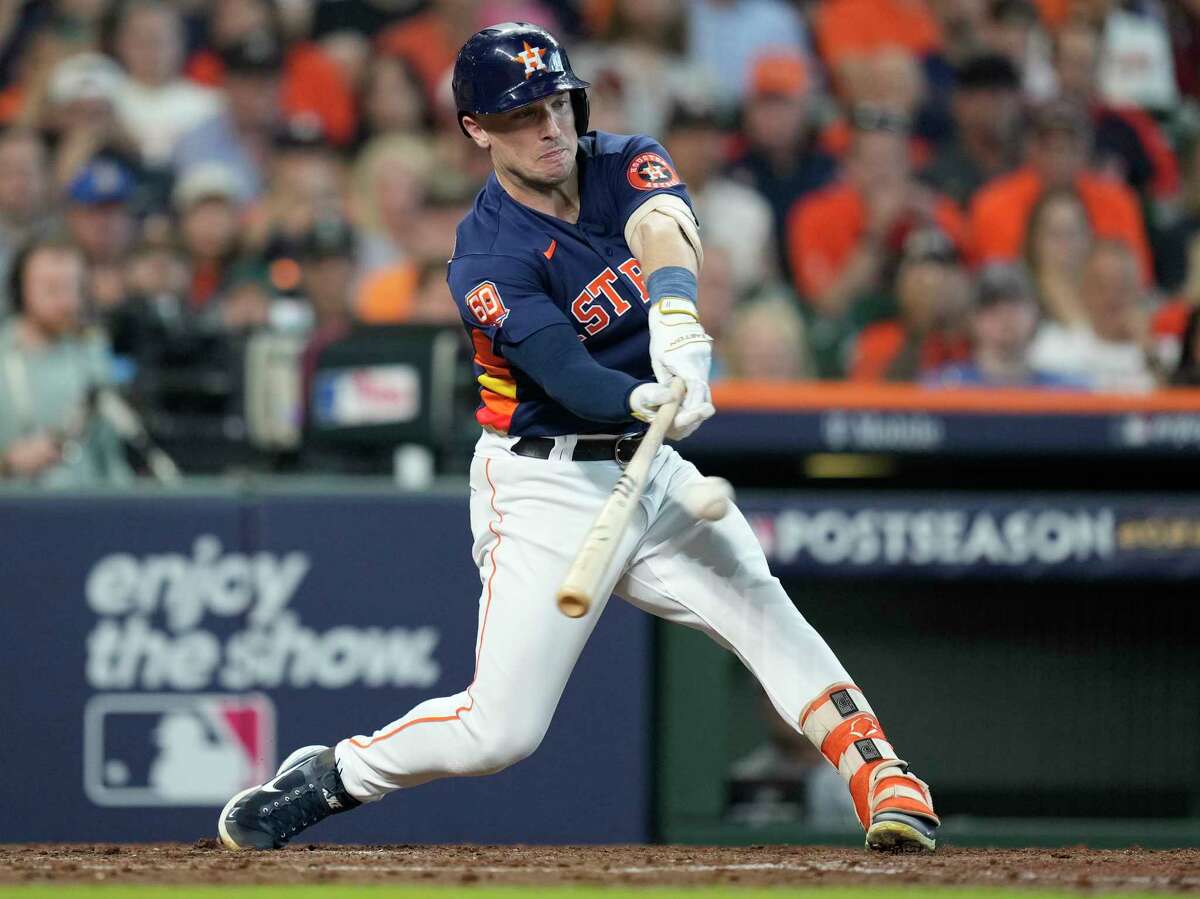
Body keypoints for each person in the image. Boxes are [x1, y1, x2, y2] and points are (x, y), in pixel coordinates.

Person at [217, 22, 940, 855]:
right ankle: (333, 773)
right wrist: (648, 394)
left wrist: (674, 316)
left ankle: (881, 772)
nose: (551, 126)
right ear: (477, 129)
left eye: (558, 103)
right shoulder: (485, 254)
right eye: (524, 114)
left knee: (760, 605)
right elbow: (568, 376)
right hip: (545, 482)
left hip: (649, 466)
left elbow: (664, 225)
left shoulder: (620, 158)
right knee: (500, 732)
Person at [969, 99, 1152, 283]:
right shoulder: (993, 204)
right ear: (1030, 150)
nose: (1059, 158)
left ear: (1086, 151)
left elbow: (1138, 278)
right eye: (1049, 146)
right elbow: (989, 279)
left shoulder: (1118, 202)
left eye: (1069, 147)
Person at [0, 235, 131, 486]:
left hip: (84, 508)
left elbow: (110, 455)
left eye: (73, 287)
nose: (65, 300)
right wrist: (7, 462)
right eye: (51, 288)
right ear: (20, 288)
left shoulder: (92, 354)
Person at [1030, 241, 1158, 392]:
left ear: (1139, 291)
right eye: (1101, 285)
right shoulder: (1052, 346)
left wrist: (1149, 351)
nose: (1112, 296)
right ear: (1082, 290)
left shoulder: (1166, 353)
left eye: (1122, 285)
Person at [925, 262, 1080, 387]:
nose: (1005, 315)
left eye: (1016, 303)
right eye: (991, 304)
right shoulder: (943, 389)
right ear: (972, 319)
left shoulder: (1066, 392)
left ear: (1036, 313)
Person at [850, 227, 971, 382]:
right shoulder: (879, 342)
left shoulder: (977, 341)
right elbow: (868, 401)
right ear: (901, 282)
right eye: (920, 277)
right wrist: (917, 335)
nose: (933, 287)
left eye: (943, 273)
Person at [921, 54, 1022, 207]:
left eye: (1007, 97)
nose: (1000, 108)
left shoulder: (1030, 162)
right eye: (990, 97)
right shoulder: (938, 175)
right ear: (960, 104)